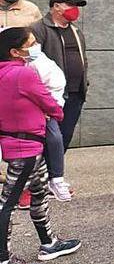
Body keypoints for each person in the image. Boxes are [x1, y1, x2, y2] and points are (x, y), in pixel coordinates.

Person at [0, 27, 79, 264]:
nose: (35, 47)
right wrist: (54, 112)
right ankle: (3, 260)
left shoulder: (4, 73)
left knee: (39, 193)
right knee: (7, 203)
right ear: (14, 51)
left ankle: (49, 243)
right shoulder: (23, 74)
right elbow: (51, 104)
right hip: (25, 148)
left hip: (24, 144)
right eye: (30, 43)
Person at [30, 0, 88, 153]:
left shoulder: (76, 31)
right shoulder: (38, 29)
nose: (75, 9)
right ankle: (42, 173)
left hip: (75, 93)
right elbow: (31, 62)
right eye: (70, 5)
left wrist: (85, 83)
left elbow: (83, 58)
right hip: (50, 95)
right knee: (49, 137)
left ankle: (55, 173)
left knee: (65, 135)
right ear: (56, 7)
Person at [26, 39, 72, 201]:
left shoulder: (39, 61)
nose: (34, 46)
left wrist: (51, 109)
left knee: (53, 138)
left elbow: (55, 84)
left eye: (34, 42)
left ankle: (53, 180)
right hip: (17, 112)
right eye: (29, 43)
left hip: (41, 110)